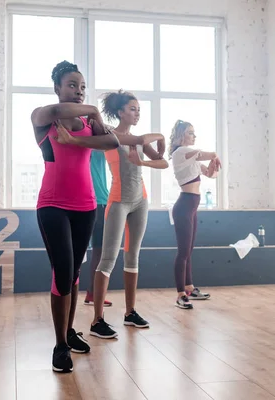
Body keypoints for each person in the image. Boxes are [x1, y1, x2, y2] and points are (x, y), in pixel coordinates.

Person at [31, 60, 119, 372]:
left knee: (73, 274)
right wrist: (94, 112)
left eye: (82, 87)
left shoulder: (85, 124)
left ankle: (69, 333)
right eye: (72, 85)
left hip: (86, 206)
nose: (78, 92)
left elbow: (112, 142)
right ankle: (59, 346)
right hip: (53, 205)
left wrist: (81, 136)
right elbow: (57, 113)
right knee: (62, 270)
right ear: (57, 87)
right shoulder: (43, 116)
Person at [89, 90, 169, 339]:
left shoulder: (137, 139)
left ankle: (130, 312)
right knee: (108, 259)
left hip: (140, 201)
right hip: (118, 202)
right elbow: (136, 138)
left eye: (139, 109)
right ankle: (97, 319)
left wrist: (143, 162)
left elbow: (163, 162)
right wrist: (152, 137)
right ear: (121, 111)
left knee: (132, 256)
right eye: (132, 109)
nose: (137, 113)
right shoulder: (110, 135)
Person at [169, 120, 221, 309]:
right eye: (190, 133)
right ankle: (180, 294)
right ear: (181, 135)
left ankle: (189, 287)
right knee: (183, 252)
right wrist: (213, 155)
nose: (194, 136)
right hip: (184, 206)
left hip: (192, 207)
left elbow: (210, 174)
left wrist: (214, 165)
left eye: (194, 132)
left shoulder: (191, 158)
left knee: (188, 251)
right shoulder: (180, 152)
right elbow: (200, 154)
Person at [84, 149, 113, 307]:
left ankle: (93, 293)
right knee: (98, 250)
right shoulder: (90, 145)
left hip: (101, 200)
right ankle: (92, 293)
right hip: (94, 201)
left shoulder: (100, 143)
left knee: (99, 250)